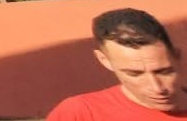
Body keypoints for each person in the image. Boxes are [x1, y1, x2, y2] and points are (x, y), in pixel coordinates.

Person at [49, 8, 186, 119]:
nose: (157, 88)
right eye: (135, 74)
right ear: (104, 60)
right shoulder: (81, 113)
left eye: (164, 71)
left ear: (177, 56)